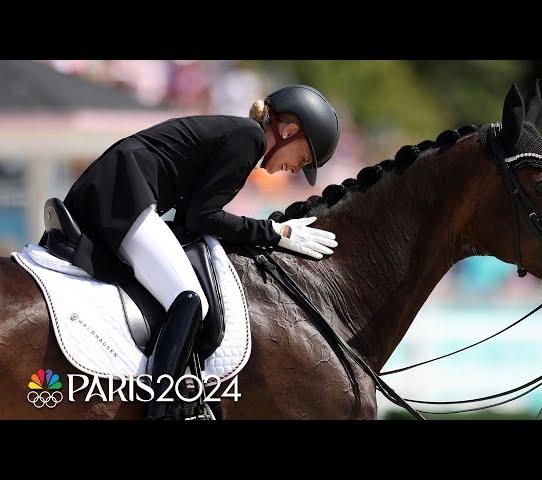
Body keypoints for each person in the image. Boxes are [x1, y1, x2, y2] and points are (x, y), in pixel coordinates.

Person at [61, 84, 341, 419]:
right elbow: (203, 216)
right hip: (123, 195)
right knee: (191, 298)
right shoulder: (248, 139)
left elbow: (191, 220)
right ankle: (161, 410)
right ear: (288, 131)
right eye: (303, 158)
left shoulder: (241, 135)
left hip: (117, 190)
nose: (296, 169)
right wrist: (275, 232)